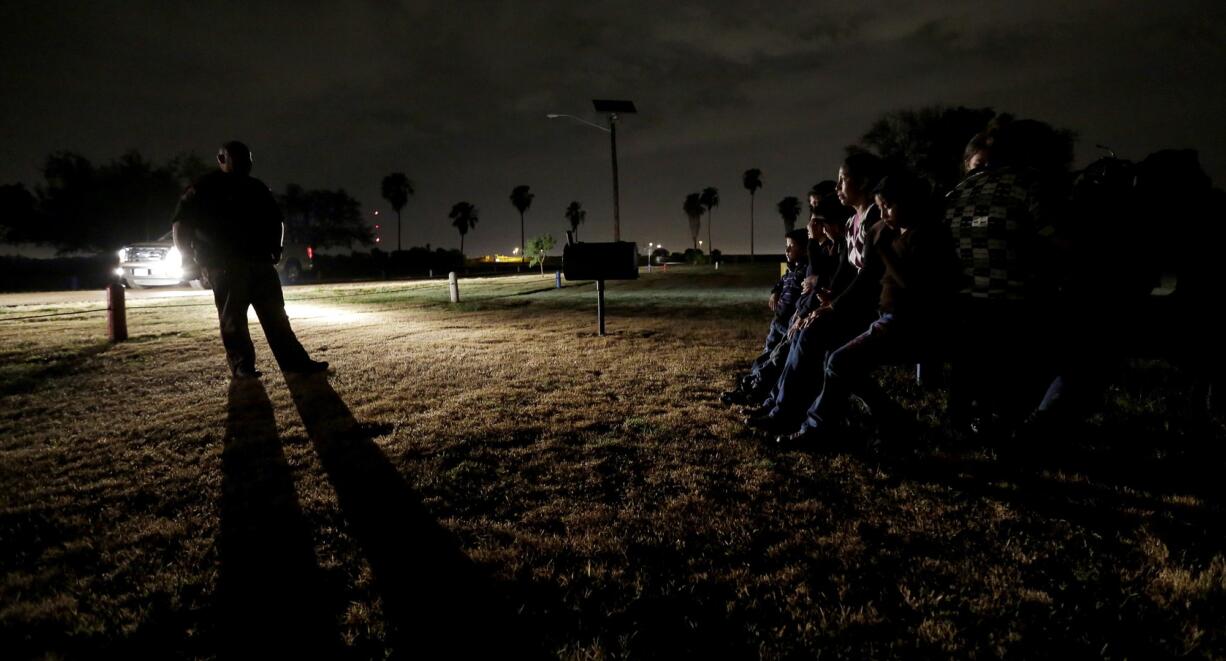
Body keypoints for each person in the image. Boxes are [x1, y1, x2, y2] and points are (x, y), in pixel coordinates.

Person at [775, 172, 959, 447]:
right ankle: (893, 420)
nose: (883, 213)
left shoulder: (930, 236)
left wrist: (883, 249)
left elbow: (918, 286)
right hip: (885, 317)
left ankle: (818, 427)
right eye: (880, 206)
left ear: (910, 204)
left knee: (840, 361)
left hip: (913, 323)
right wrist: (832, 305)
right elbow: (866, 277)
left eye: (888, 206)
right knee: (836, 357)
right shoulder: (885, 232)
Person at [746, 153, 886, 434]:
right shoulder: (852, 224)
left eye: (843, 180)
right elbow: (845, 272)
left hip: (868, 308)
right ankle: (780, 406)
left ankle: (787, 411)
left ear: (863, 181)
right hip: (848, 303)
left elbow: (868, 276)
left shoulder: (876, 221)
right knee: (804, 330)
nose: (838, 187)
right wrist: (829, 299)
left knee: (811, 334)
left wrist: (831, 306)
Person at [172, 140, 328, 379]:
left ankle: (294, 362)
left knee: (277, 316)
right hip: (224, 264)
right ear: (222, 159)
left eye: (249, 159)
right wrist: (187, 259)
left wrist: (277, 246)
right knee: (233, 318)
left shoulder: (257, 187)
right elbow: (181, 225)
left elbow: (277, 220)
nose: (247, 163)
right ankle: (242, 365)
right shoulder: (204, 188)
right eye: (240, 158)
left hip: (260, 262)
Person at [721, 228, 810, 404]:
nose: (787, 250)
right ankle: (749, 385)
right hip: (778, 321)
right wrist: (775, 291)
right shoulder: (791, 269)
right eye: (786, 246)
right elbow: (782, 281)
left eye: (791, 246)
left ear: (805, 248)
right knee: (766, 355)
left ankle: (756, 390)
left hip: (789, 325)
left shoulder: (807, 270)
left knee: (776, 359)